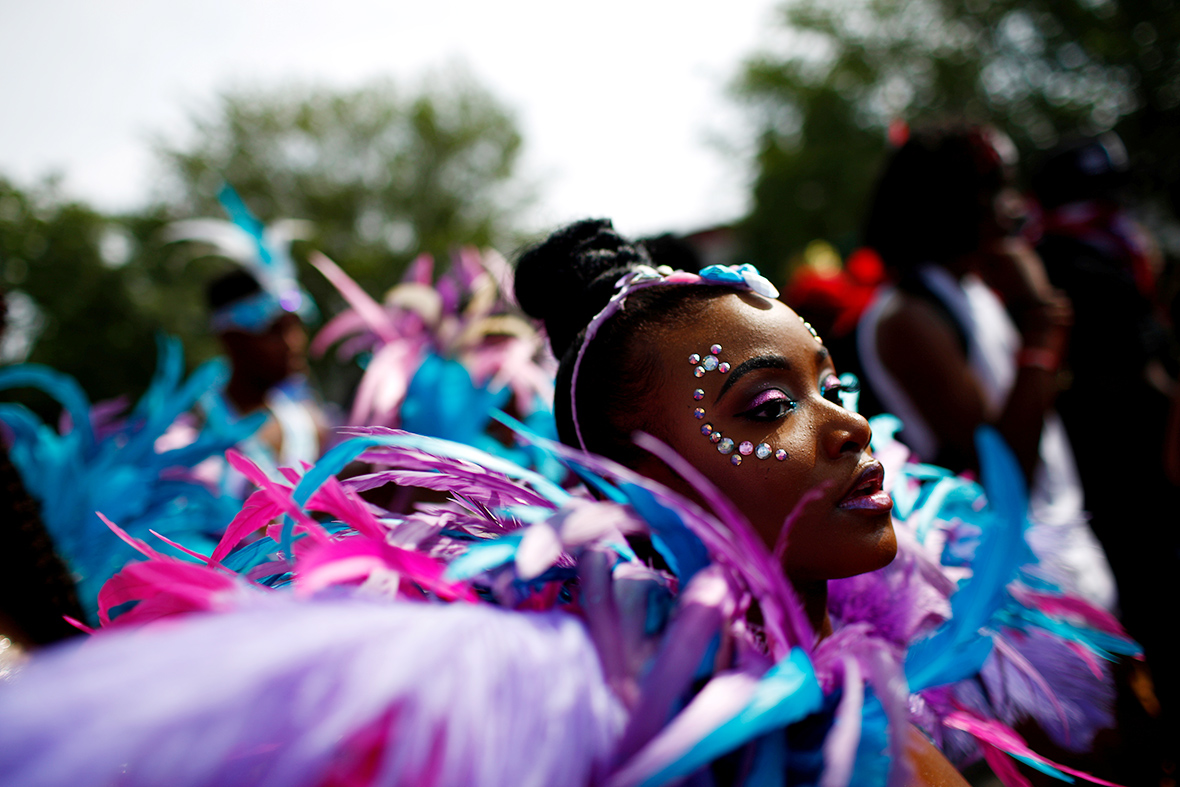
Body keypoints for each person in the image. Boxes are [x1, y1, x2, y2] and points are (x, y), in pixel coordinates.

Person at [854, 125, 1116, 612]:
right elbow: (1004, 472)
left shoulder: (973, 290)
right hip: (1023, 586)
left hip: (1069, 558)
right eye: (996, 187)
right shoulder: (908, 315)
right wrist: (1040, 329)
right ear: (948, 200)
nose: (1014, 206)